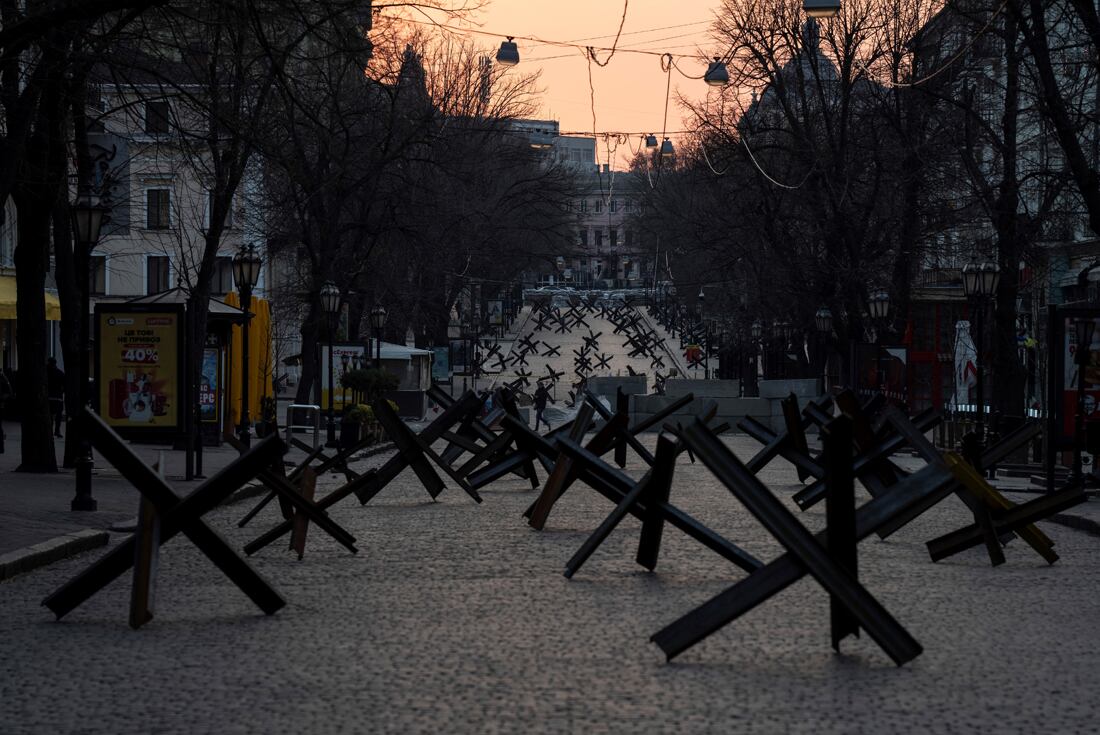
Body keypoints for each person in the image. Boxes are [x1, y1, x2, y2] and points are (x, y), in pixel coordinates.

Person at [47, 357, 65, 437]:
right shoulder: (60, 373)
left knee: (49, 415)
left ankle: (49, 430)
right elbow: (65, 385)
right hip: (58, 397)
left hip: (48, 398)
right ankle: (57, 431)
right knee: (58, 416)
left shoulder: (45, 373)